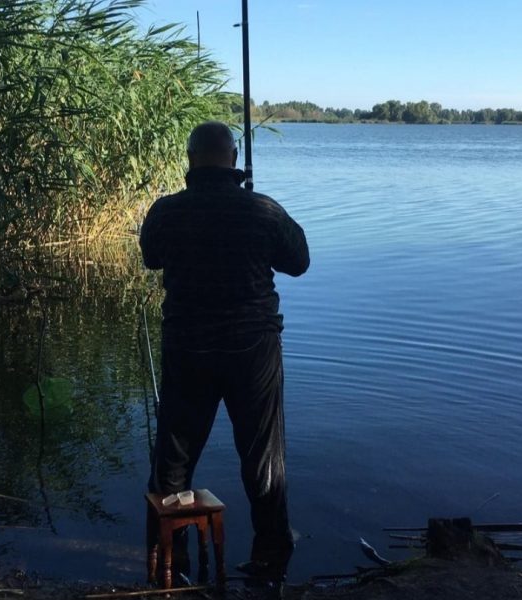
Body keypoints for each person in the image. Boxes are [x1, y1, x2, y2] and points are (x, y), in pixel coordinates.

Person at [140, 121, 309, 582]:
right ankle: (271, 559)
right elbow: (299, 262)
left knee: (173, 458)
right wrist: (253, 205)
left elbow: (150, 257)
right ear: (234, 160)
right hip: (253, 349)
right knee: (262, 457)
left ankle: (170, 567)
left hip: (188, 346)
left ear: (190, 161)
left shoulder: (166, 211)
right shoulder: (262, 210)